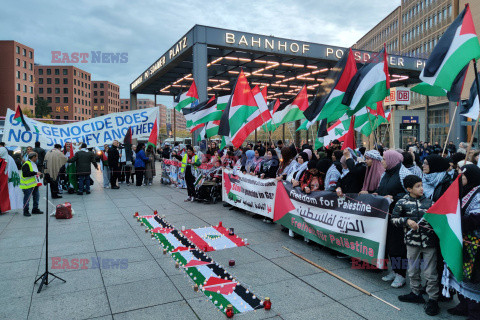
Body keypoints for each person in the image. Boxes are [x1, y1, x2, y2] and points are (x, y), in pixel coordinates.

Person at [391, 175, 440, 316]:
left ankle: (433, 299)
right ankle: (415, 293)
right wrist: (406, 221)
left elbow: (439, 220)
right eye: (417, 186)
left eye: (421, 185)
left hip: (429, 242)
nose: (421, 188)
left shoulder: (430, 202)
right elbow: (393, 219)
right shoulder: (402, 202)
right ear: (409, 189)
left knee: (430, 272)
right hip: (412, 242)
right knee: (413, 269)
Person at [443, 164, 480, 319]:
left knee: (471, 277)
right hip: (461, 240)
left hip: (473, 243)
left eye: (463, 176)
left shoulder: (478, 194)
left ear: (470, 177)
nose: (460, 179)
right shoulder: (465, 190)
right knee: (460, 274)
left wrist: (455, 221)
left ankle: (474, 313)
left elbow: (476, 218)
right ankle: (463, 305)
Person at [377, 150, 408, 288]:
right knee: (389, 244)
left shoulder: (404, 174)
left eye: (384, 159)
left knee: (398, 246)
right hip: (386, 215)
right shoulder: (387, 173)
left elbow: (410, 193)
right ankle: (394, 271)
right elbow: (383, 189)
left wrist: (394, 198)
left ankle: (401, 274)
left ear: (391, 160)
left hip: (398, 216)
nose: (382, 161)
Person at [20, 152, 43, 216]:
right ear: (33, 157)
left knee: (36, 197)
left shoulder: (33, 164)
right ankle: (26, 211)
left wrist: (38, 174)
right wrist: (35, 173)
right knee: (27, 199)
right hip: (27, 185)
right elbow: (25, 174)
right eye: (36, 157)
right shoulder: (26, 164)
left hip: (34, 184)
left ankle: (35, 209)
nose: (37, 158)